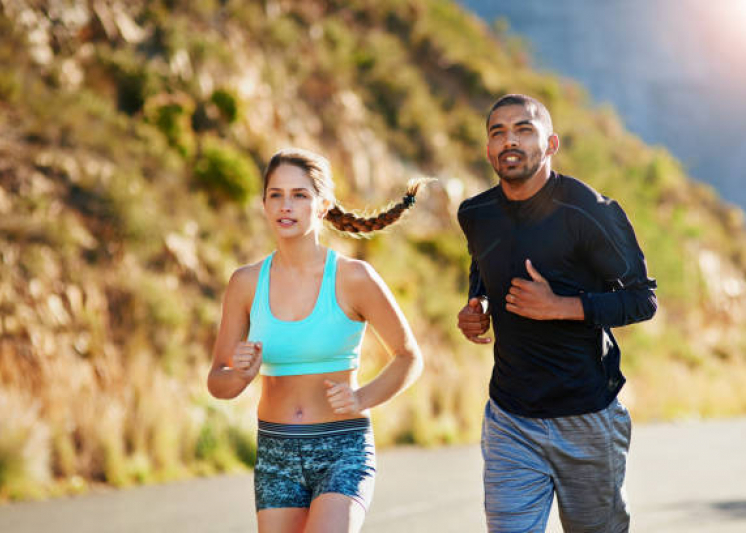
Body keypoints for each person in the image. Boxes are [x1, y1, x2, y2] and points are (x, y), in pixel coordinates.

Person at [457, 94, 657, 532]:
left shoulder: (590, 211)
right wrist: (480, 305)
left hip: (587, 415)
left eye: (524, 130)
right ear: (489, 149)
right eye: (498, 132)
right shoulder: (476, 214)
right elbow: (483, 267)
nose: (510, 140)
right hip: (510, 418)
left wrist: (560, 307)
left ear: (551, 144)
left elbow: (643, 299)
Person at [208, 148, 425, 533]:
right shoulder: (244, 283)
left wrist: (363, 398)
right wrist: (241, 375)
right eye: (275, 194)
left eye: (299, 195)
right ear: (263, 204)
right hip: (276, 453)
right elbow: (218, 381)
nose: (285, 206)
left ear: (323, 206)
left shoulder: (353, 277)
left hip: (343, 448)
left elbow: (409, 356)